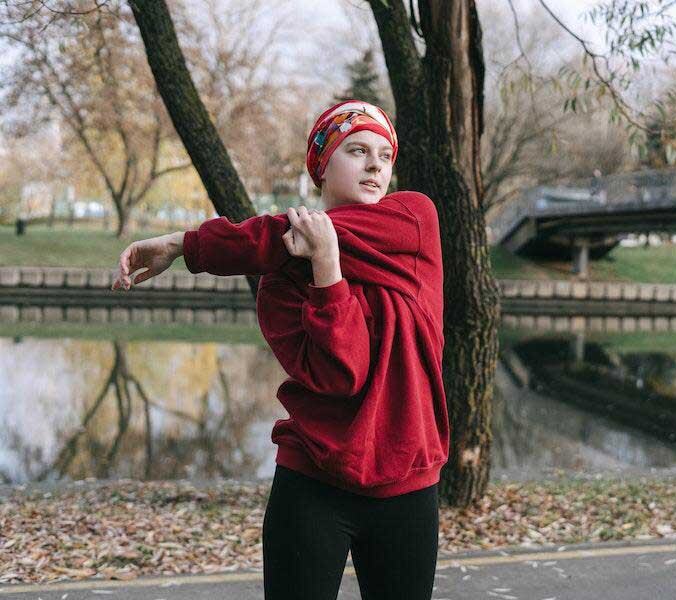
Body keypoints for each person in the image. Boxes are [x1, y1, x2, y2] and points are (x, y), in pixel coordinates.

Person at [111, 99, 448, 600]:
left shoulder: (415, 223)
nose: (375, 164)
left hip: (407, 480)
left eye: (384, 154)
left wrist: (186, 244)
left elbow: (277, 234)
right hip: (313, 481)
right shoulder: (284, 279)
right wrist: (327, 270)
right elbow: (343, 375)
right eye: (356, 150)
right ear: (322, 169)